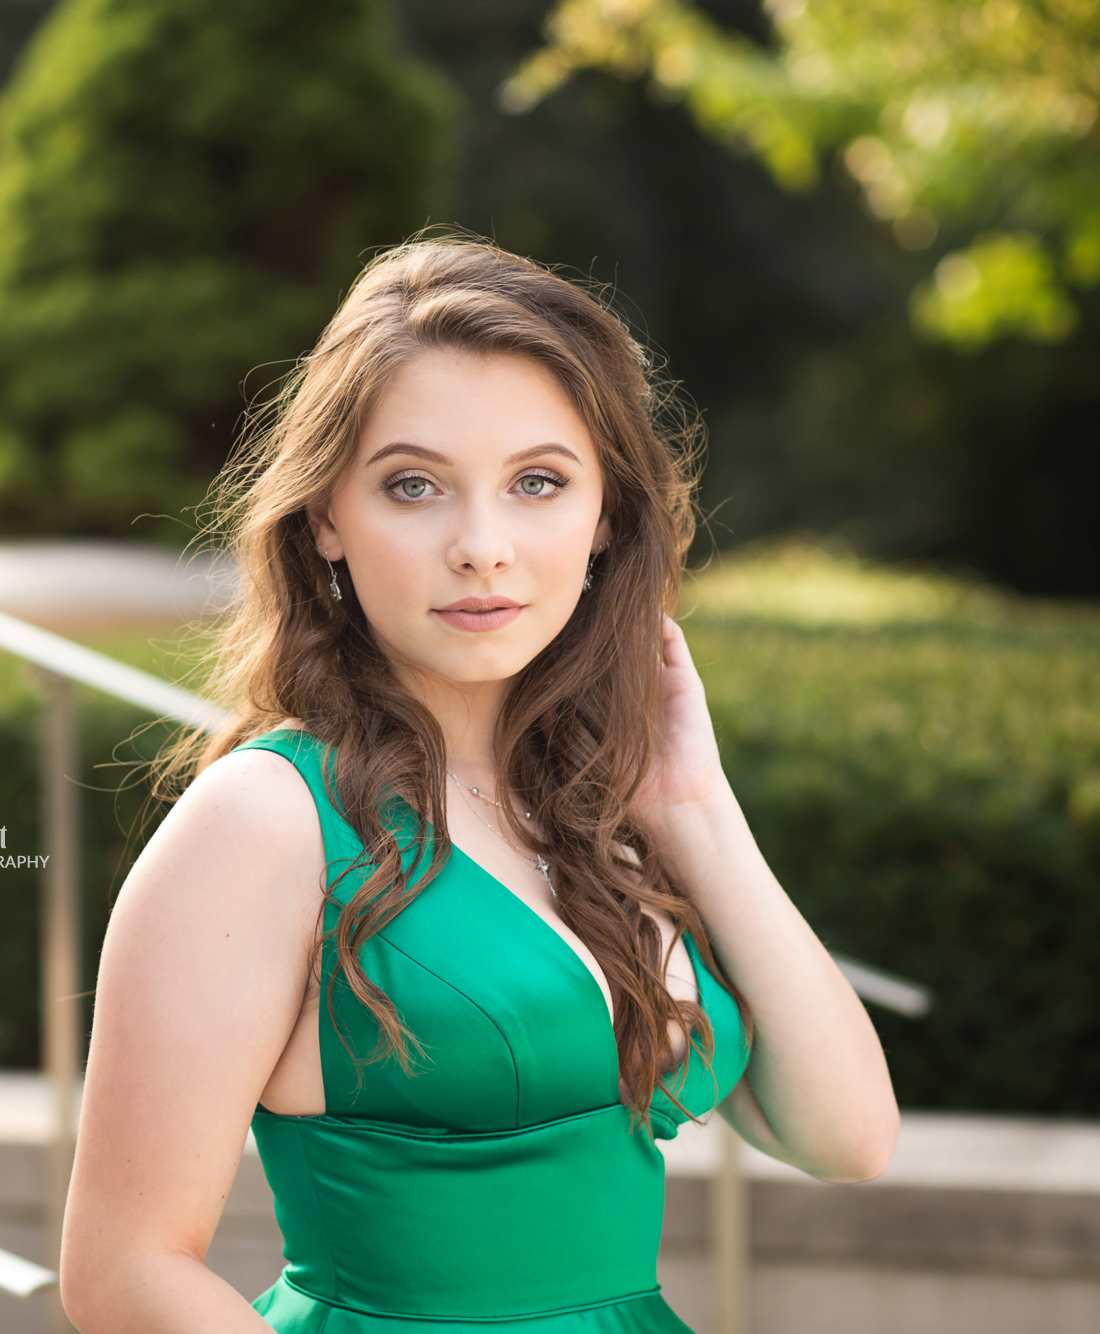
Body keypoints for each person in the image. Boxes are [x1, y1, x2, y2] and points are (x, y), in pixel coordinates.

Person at [59, 238, 899, 1332]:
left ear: (604, 520)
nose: (482, 546)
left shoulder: (599, 809)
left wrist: (694, 805)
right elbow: (122, 1268)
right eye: (412, 486)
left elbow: (847, 1136)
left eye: (537, 482)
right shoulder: (263, 822)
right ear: (325, 519)